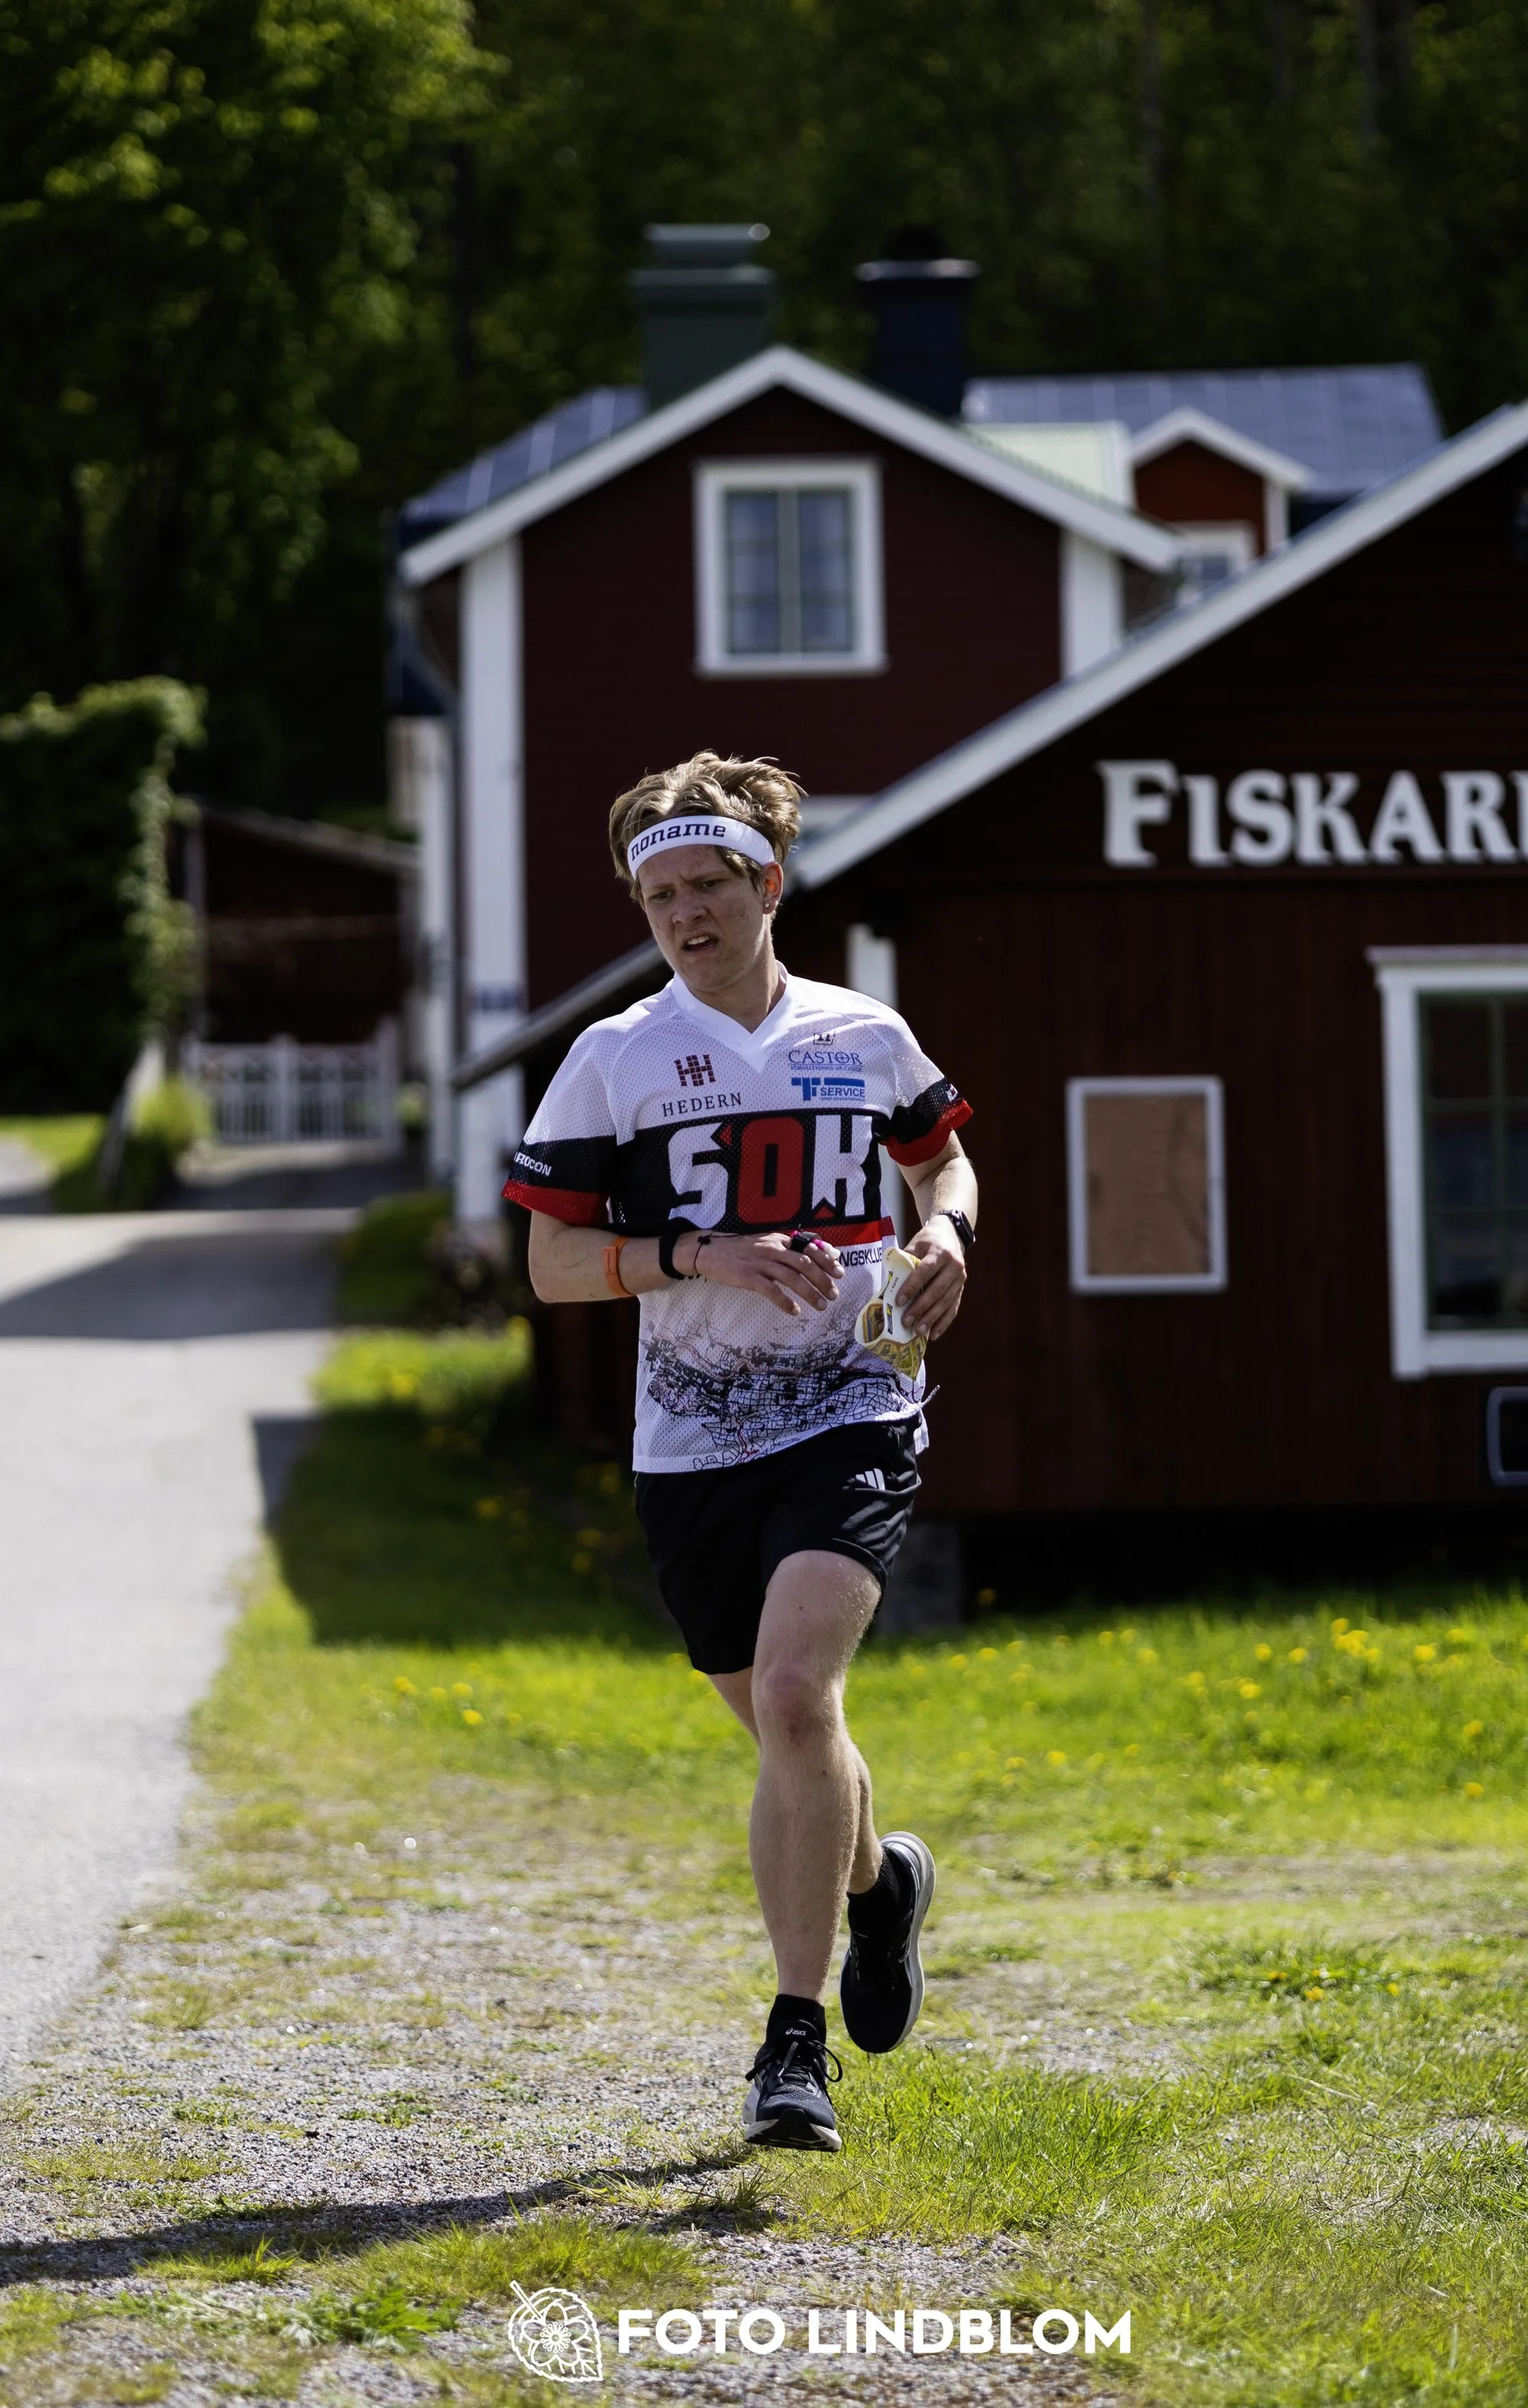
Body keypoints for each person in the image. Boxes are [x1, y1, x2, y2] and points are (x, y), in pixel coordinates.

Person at [502, 752, 979, 2153]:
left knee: (791, 1694)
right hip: (694, 1437)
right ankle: (880, 1885)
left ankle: (792, 2046)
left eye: (708, 884)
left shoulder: (864, 1033)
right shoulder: (614, 1060)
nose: (684, 913)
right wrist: (694, 1251)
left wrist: (944, 1230)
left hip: (854, 1400)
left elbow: (943, 1157)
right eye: (659, 895)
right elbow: (550, 1263)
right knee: (786, 1729)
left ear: (767, 884)